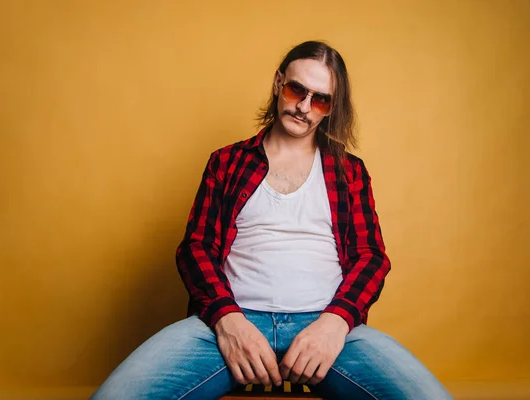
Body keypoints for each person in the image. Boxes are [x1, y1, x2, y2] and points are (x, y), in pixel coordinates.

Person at [91, 41, 452, 400]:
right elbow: (195, 247)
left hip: (326, 326)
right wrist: (226, 321)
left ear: (330, 108)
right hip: (231, 322)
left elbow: (371, 256)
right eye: (297, 90)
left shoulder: (349, 171)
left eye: (321, 99)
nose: (304, 107)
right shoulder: (227, 162)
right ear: (279, 83)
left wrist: (335, 323)